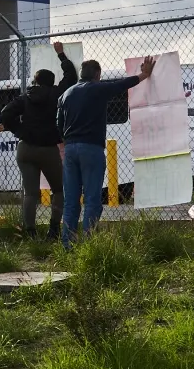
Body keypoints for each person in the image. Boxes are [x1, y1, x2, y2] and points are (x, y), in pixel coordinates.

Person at [57, 55, 153, 245]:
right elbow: (122, 85)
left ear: (81, 74)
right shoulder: (98, 88)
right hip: (91, 148)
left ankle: (67, 243)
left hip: (70, 149)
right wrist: (144, 75)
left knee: (70, 200)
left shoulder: (65, 94)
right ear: (98, 75)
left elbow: (58, 125)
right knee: (92, 198)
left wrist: (65, 144)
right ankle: (88, 242)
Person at [0, 40, 78, 241]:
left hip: (25, 148)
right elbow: (71, 77)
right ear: (52, 82)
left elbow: (5, 113)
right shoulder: (56, 94)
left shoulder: (25, 97)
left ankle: (30, 232)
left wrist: (19, 131)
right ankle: (53, 230)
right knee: (59, 189)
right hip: (48, 149)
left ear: (35, 82)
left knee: (30, 193)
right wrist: (61, 55)